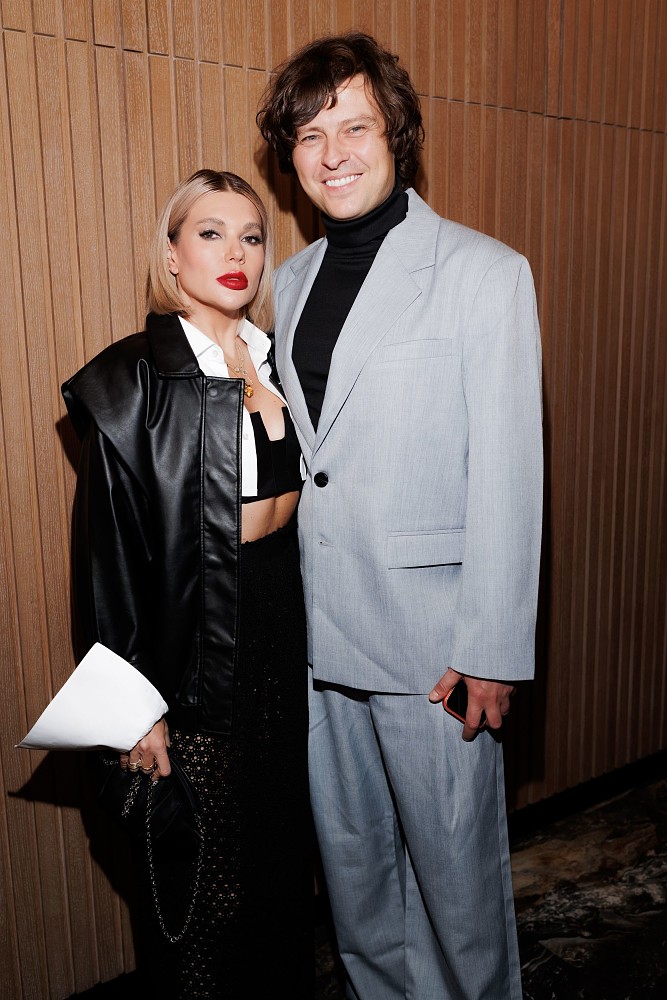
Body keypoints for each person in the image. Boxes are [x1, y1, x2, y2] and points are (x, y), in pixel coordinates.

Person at [257, 31, 543, 1000]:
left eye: (354, 127)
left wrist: (492, 648)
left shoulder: (483, 272)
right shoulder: (287, 284)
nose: (331, 152)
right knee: (354, 878)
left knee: (457, 887)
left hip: (434, 648)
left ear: (397, 137)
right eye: (308, 134)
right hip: (315, 636)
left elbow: (509, 472)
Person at [61, 169, 313, 997]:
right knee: (207, 879)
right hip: (194, 639)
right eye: (210, 233)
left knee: (279, 853)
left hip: (280, 621)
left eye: (251, 236)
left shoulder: (276, 360)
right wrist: (134, 708)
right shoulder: (130, 381)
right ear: (172, 256)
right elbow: (107, 559)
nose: (235, 252)